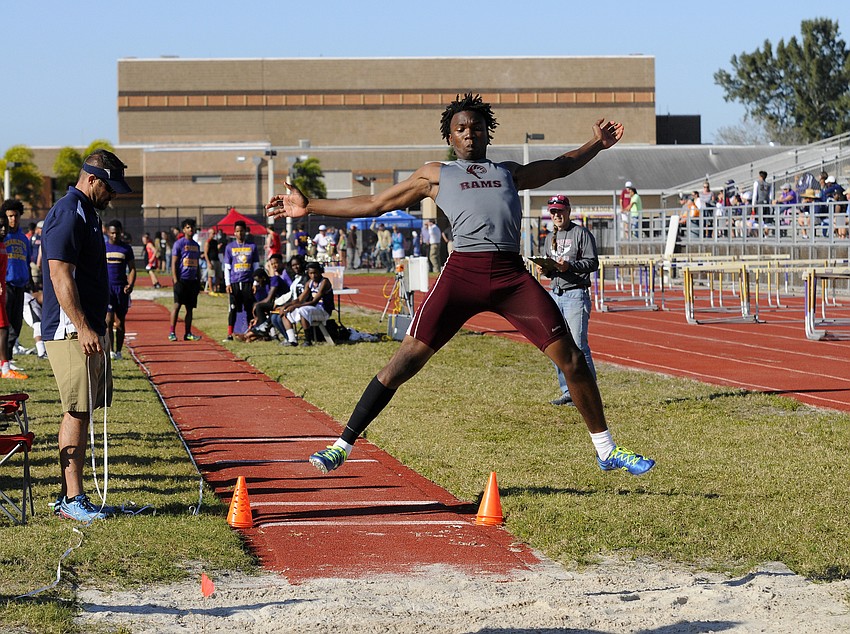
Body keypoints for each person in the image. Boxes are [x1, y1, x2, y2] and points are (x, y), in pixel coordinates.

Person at [267, 92, 654, 477]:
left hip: (510, 277)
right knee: (402, 364)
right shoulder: (435, 174)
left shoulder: (508, 172)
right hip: (461, 276)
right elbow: (374, 204)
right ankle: (341, 445)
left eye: (477, 128)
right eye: (461, 129)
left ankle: (606, 449)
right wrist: (310, 205)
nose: (470, 134)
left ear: (488, 134)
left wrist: (597, 145)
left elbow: (559, 165)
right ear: (450, 138)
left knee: (572, 359)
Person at [42, 149, 132, 522]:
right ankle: (72, 500)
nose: (112, 196)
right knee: (76, 409)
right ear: (92, 179)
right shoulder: (69, 211)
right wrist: (81, 325)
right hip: (69, 330)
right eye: (109, 188)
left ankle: (72, 495)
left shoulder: (88, 213)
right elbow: (59, 272)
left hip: (87, 327)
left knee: (85, 408)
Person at [536, 195, 597, 407]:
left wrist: (568, 267)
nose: (556, 215)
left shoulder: (581, 233)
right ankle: (568, 392)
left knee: (579, 346)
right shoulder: (549, 237)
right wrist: (546, 269)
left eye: (560, 210)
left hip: (575, 294)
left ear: (568, 211)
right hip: (556, 293)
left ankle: (589, 394)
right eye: (553, 211)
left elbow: (592, 262)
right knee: (559, 346)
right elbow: (552, 271)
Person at [2, 199, 33, 362]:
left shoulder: (24, 238)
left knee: (17, 325)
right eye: (9, 216)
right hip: (5, 285)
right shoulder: (2, 237)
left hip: (20, 286)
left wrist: (30, 282)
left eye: (15, 216)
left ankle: (8, 358)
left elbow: (27, 262)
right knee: (5, 326)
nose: (12, 219)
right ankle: (4, 360)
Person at [278, 261, 334, 347]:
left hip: (324, 310)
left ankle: (308, 340)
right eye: (311, 273)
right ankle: (292, 340)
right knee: (285, 312)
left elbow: (314, 301)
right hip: (314, 309)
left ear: (320, 272)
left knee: (302, 310)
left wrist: (295, 306)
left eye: (315, 273)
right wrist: (286, 305)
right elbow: (300, 299)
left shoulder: (324, 282)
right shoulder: (309, 283)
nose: (313, 275)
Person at [0, 212, 27, 379]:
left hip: (16, 286)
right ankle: (5, 366)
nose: (4, 228)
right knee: (3, 328)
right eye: (1, 225)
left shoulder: (6, 243)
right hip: (5, 288)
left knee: (13, 325)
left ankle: (5, 364)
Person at [222, 220, 260, 341]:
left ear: (245, 231)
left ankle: (249, 333)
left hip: (247, 282)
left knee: (249, 308)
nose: (240, 234)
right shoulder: (229, 247)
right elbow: (227, 267)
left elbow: (256, 266)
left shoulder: (252, 246)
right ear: (234, 233)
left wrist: (255, 283)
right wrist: (227, 283)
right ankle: (229, 334)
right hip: (234, 283)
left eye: (242, 231)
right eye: (237, 231)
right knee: (233, 308)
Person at [104, 219, 136, 360]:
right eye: (112, 233)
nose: (114, 236)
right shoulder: (102, 247)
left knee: (120, 321)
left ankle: (118, 351)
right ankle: (110, 350)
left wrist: (130, 284)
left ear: (121, 232)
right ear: (107, 232)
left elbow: (133, 268)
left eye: (117, 233)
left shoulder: (126, 249)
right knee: (108, 320)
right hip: (107, 288)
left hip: (121, 288)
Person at [168, 218, 203, 342]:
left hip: (192, 281)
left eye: (192, 227)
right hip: (181, 280)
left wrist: (199, 280)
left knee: (189, 308)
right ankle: (172, 332)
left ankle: (188, 333)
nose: (190, 229)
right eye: (188, 227)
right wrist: (175, 280)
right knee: (177, 306)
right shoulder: (179, 244)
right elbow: (174, 262)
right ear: (183, 229)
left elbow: (197, 264)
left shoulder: (196, 246)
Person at [204, 228, 223, 293]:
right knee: (211, 275)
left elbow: (215, 250)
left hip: (217, 260)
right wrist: (208, 262)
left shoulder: (215, 242)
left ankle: (216, 288)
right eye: (213, 233)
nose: (214, 235)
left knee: (219, 275)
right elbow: (205, 253)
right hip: (211, 260)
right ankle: (211, 289)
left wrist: (218, 247)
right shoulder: (207, 242)